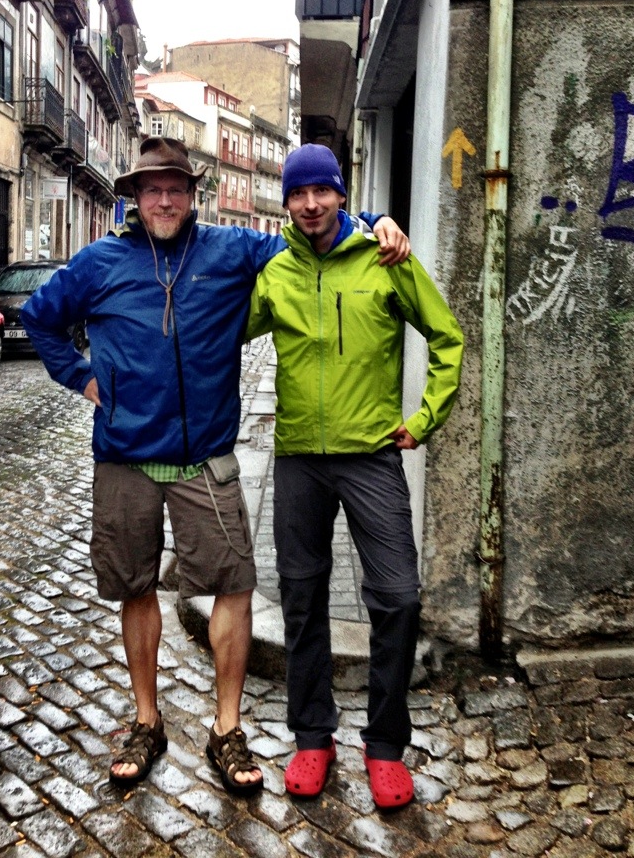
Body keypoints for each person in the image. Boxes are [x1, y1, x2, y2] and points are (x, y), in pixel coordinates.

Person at [20, 136, 410, 795]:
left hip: (207, 457)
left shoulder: (232, 250)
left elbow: (312, 231)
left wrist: (373, 221)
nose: (164, 200)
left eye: (175, 189)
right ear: (135, 198)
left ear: (192, 195)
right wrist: (81, 378)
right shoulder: (98, 262)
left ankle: (227, 729)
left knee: (233, 585)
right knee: (136, 588)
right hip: (124, 457)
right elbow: (39, 318)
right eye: (152, 189)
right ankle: (147, 722)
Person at [245, 143, 464, 809]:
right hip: (298, 460)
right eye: (298, 193)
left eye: (322, 191)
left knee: (398, 597)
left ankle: (386, 745)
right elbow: (215, 335)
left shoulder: (385, 258)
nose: (310, 204)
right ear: (287, 202)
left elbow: (447, 336)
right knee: (301, 598)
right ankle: (313, 735)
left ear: (342, 194)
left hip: (372, 455)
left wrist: (423, 418)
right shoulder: (275, 271)